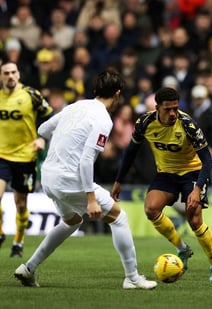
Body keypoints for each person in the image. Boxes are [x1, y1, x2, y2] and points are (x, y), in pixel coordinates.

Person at [14, 70, 157, 290]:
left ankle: (29, 268)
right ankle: (132, 277)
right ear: (117, 94)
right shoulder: (103, 119)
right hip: (71, 179)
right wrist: (91, 198)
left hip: (49, 177)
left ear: (95, 90)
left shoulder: (75, 106)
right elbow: (86, 161)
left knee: (72, 221)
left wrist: (66, 140)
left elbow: (43, 129)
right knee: (119, 217)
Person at [111, 87, 212, 282]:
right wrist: (119, 181)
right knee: (151, 209)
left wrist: (197, 188)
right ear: (157, 108)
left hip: (192, 172)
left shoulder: (188, 124)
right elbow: (130, 152)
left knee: (194, 218)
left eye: (175, 108)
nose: (173, 113)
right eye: (168, 109)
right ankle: (182, 249)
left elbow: (207, 160)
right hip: (166, 173)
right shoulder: (145, 122)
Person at [0, 62, 54, 258]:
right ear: (1, 76)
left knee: (20, 204)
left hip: (25, 156)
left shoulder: (31, 94)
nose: (10, 76)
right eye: (6, 73)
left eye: (14, 72)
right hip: (1, 155)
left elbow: (50, 117)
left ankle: (18, 242)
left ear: (19, 73)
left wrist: (43, 138)